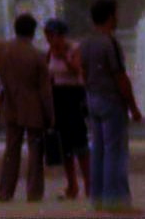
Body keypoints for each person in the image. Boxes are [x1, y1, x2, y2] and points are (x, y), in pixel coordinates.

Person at [0, 13, 54, 204]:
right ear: (33, 32)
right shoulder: (38, 56)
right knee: (35, 153)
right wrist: (50, 115)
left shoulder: (1, 49)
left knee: (11, 150)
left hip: (10, 104)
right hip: (34, 108)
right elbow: (45, 90)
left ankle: (5, 192)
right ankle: (34, 193)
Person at [79, 0, 142, 213]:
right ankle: (118, 202)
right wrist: (133, 107)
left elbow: (83, 73)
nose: (118, 18)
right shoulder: (110, 43)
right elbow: (120, 77)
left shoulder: (85, 43)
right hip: (111, 101)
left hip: (93, 99)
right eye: (115, 14)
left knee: (98, 151)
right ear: (109, 16)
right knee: (115, 152)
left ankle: (97, 199)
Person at [44, 18, 91, 200]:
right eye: (46, 35)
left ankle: (89, 183)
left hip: (74, 95)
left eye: (51, 35)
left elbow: (76, 70)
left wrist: (63, 54)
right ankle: (72, 184)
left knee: (79, 140)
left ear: (60, 35)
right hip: (57, 96)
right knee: (65, 145)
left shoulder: (74, 48)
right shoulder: (48, 52)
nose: (48, 38)